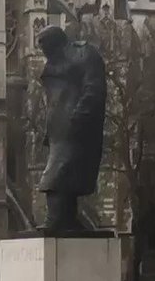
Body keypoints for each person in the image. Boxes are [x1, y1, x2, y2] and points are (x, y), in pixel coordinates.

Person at [35, 25, 108, 234]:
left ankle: (59, 218)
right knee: (62, 168)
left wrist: (81, 115)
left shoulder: (83, 53)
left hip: (78, 120)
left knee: (65, 169)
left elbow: (94, 88)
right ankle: (62, 218)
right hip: (59, 122)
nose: (44, 53)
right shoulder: (55, 60)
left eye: (45, 47)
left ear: (56, 42)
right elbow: (52, 96)